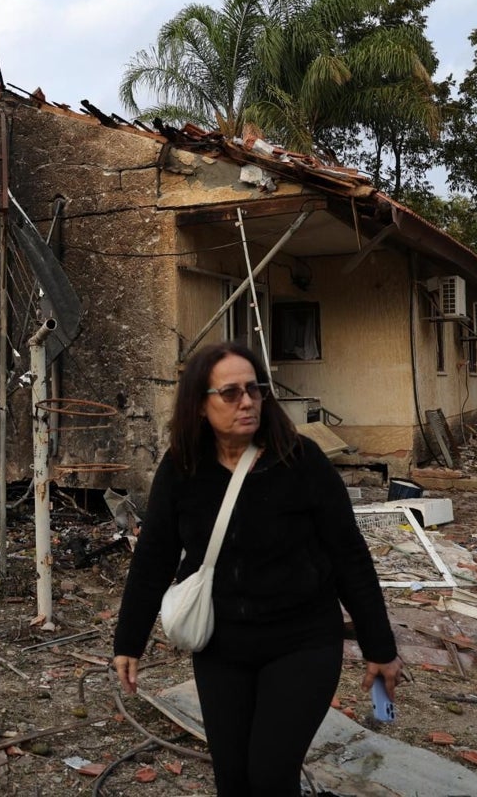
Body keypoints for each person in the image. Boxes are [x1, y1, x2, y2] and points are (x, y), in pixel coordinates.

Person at [112, 341, 403, 795]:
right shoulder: (182, 467)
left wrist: (379, 647)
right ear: (200, 404)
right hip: (221, 646)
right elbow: (155, 557)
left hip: (302, 641)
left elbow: (350, 556)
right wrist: (128, 641)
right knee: (232, 778)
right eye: (230, 393)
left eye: (255, 389)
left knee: (270, 776)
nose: (246, 401)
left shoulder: (301, 462)